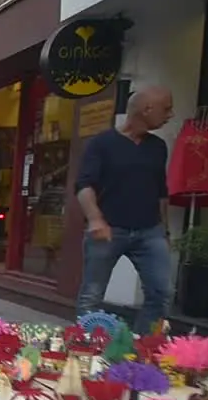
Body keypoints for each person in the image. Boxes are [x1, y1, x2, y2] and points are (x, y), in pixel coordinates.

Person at [75, 85, 175, 335]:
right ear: (146, 109)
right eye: (167, 108)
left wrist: (165, 230)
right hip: (109, 229)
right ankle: (87, 348)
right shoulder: (102, 143)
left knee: (161, 293)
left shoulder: (158, 146)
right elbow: (84, 185)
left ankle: (144, 348)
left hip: (150, 231)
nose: (170, 114)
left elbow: (161, 191)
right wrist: (95, 219)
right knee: (92, 295)